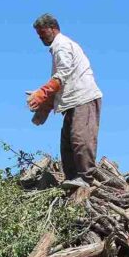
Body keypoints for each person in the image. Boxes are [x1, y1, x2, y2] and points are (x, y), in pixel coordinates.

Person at [27, 13, 103, 188]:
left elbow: (62, 75)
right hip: (73, 102)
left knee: (80, 138)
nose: (41, 38)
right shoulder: (57, 48)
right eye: (38, 35)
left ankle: (85, 178)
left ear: (53, 29)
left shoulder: (61, 46)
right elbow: (62, 82)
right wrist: (45, 107)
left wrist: (42, 93)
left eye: (43, 33)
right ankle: (73, 180)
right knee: (67, 143)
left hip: (84, 98)